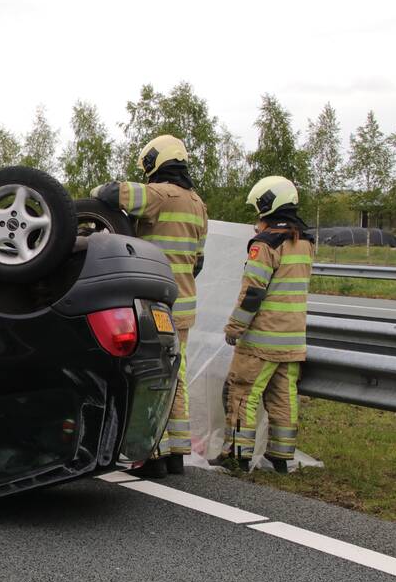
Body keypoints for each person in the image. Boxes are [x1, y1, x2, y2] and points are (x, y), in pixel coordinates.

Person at [91, 135, 208, 477]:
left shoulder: (160, 194)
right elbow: (198, 262)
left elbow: (110, 193)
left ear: (156, 162)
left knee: (149, 379)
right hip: (183, 303)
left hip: (155, 306)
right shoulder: (198, 204)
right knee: (176, 376)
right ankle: (176, 453)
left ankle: (152, 455)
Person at [219, 176, 313, 474]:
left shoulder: (265, 244)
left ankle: (237, 454)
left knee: (242, 392)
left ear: (267, 204)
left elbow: (253, 293)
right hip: (293, 338)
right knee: (283, 399)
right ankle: (281, 458)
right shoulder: (305, 241)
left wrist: (235, 327)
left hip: (262, 339)